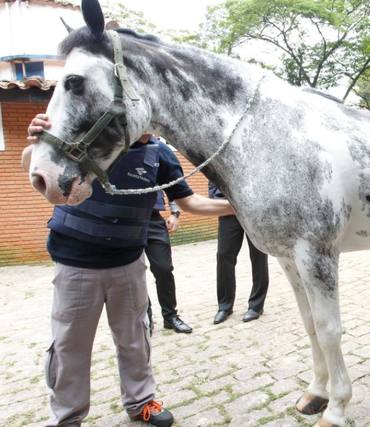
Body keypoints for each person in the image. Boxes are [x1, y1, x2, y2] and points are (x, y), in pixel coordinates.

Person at [25, 115, 234, 427]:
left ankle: (141, 403)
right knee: (70, 345)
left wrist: (239, 205)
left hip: (128, 261)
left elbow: (190, 202)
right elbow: (31, 165)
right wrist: (36, 143)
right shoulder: (88, 136)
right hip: (76, 261)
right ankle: (67, 417)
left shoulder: (162, 154)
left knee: (135, 337)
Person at [209, 181, 269, 324]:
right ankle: (224, 307)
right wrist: (217, 199)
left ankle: (256, 306)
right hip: (228, 208)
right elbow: (213, 176)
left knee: (259, 256)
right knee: (223, 256)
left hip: (255, 210)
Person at [145, 189, 192, 334]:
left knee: (164, 269)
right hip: (126, 222)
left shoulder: (157, 164)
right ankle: (145, 318)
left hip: (154, 219)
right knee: (134, 273)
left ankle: (170, 316)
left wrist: (175, 213)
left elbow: (171, 185)